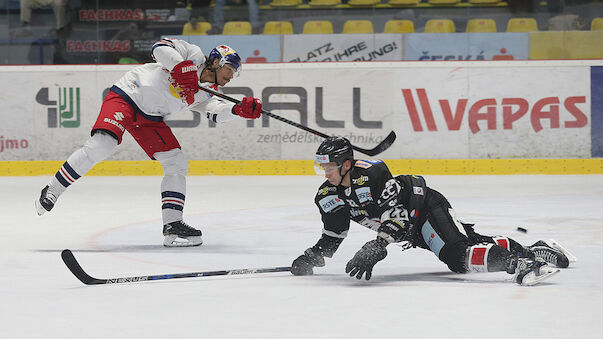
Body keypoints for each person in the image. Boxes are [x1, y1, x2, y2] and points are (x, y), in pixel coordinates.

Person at [35, 39, 263, 247]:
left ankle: (172, 224)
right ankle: (53, 189)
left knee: (176, 162)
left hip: (150, 117)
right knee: (102, 145)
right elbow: (159, 48)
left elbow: (215, 112)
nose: (231, 76)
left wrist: (237, 110)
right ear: (215, 61)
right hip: (128, 94)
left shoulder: (209, 93)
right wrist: (180, 66)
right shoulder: (192, 54)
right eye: (229, 69)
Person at [291, 137, 573, 286]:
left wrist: (379, 245)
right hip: (411, 230)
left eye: (329, 167)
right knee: (471, 244)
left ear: (347, 165)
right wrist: (313, 257)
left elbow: (397, 217)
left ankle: (518, 263)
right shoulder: (328, 194)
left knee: (456, 257)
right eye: (322, 167)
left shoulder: (373, 174)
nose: (325, 173)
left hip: (424, 208)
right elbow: (334, 232)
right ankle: (533, 249)